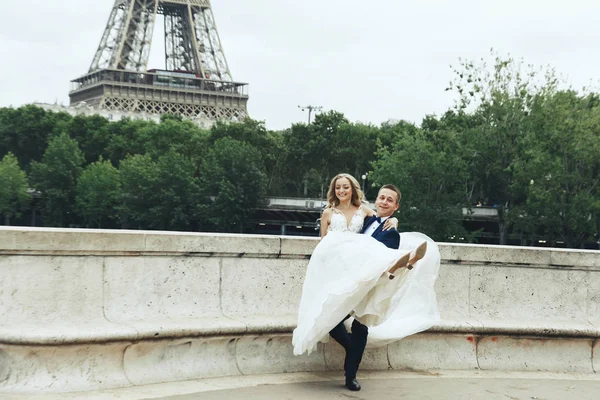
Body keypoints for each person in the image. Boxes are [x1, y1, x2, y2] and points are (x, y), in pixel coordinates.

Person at [292, 173, 440, 392]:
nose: (384, 202)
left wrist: (395, 222)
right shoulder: (355, 216)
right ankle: (353, 349)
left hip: (369, 279)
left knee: (361, 327)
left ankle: (350, 375)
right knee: (332, 321)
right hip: (343, 275)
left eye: (389, 200)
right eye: (382, 198)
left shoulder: (379, 223)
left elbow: (380, 229)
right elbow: (325, 243)